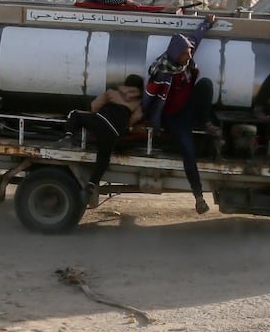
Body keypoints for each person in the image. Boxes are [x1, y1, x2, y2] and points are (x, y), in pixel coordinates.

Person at [144, 19, 221, 215]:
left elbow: (195, 38)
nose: (189, 56)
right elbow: (149, 98)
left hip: (189, 109)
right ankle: (199, 197)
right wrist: (150, 122)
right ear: (176, 54)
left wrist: (207, 23)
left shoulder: (184, 59)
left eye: (189, 53)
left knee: (205, 84)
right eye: (185, 54)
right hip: (175, 118)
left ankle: (205, 122)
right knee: (188, 151)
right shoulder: (161, 72)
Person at [62, 74, 143, 208]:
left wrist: (97, 117)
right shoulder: (139, 102)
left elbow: (95, 105)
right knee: (104, 157)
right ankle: (91, 186)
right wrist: (127, 126)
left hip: (100, 120)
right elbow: (136, 117)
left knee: (75, 114)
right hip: (114, 131)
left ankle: (67, 137)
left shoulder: (112, 92)